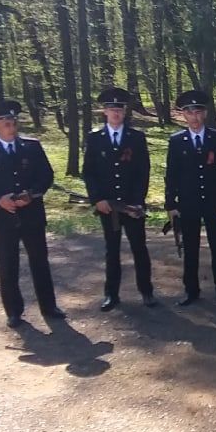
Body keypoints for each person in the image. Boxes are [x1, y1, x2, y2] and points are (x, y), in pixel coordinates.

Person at [0, 100, 65, 328]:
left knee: (40, 261)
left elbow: (46, 176)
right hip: (3, 217)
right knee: (8, 264)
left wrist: (32, 194)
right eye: (4, 120)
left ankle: (49, 306)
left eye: (12, 120)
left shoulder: (32, 146)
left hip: (32, 214)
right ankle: (13, 311)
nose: (10, 123)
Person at [83, 86, 157, 310]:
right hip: (108, 205)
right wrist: (97, 199)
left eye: (119, 109)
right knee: (111, 250)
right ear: (104, 111)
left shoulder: (136, 137)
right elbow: (89, 172)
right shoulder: (95, 138)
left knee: (139, 248)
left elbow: (143, 171)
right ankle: (111, 294)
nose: (115, 112)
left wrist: (136, 200)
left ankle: (146, 291)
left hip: (132, 204)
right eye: (111, 108)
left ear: (125, 112)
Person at [163, 90, 216, 305]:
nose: (194, 117)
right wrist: (171, 204)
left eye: (198, 112)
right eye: (189, 112)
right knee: (190, 247)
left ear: (204, 113)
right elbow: (172, 174)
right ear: (183, 115)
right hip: (188, 202)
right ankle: (191, 291)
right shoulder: (177, 141)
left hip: (213, 201)